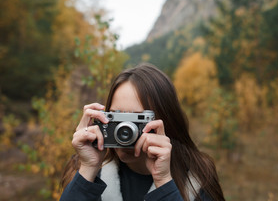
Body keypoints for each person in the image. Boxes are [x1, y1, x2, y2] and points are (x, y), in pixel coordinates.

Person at [60, 63, 225, 201]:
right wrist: (88, 169)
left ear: (166, 121)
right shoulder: (85, 170)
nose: (124, 131)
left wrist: (164, 182)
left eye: (137, 119)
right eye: (117, 118)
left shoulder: (198, 177)